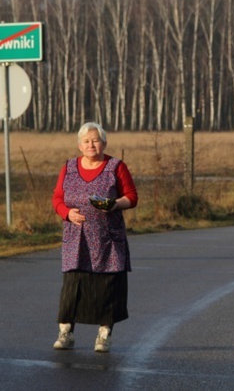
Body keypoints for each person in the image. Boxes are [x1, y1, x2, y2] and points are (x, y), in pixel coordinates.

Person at [51, 122, 138, 353]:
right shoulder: (68, 167)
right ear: (80, 145)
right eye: (87, 141)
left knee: (107, 287)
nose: (91, 145)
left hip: (108, 239)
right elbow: (57, 198)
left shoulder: (116, 167)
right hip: (76, 240)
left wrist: (114, 205)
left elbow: (132, 196)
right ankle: (65, 333)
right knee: (72, 286)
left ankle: (104, 335)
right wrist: (67, 213)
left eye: (96, 140)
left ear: (104, 143)